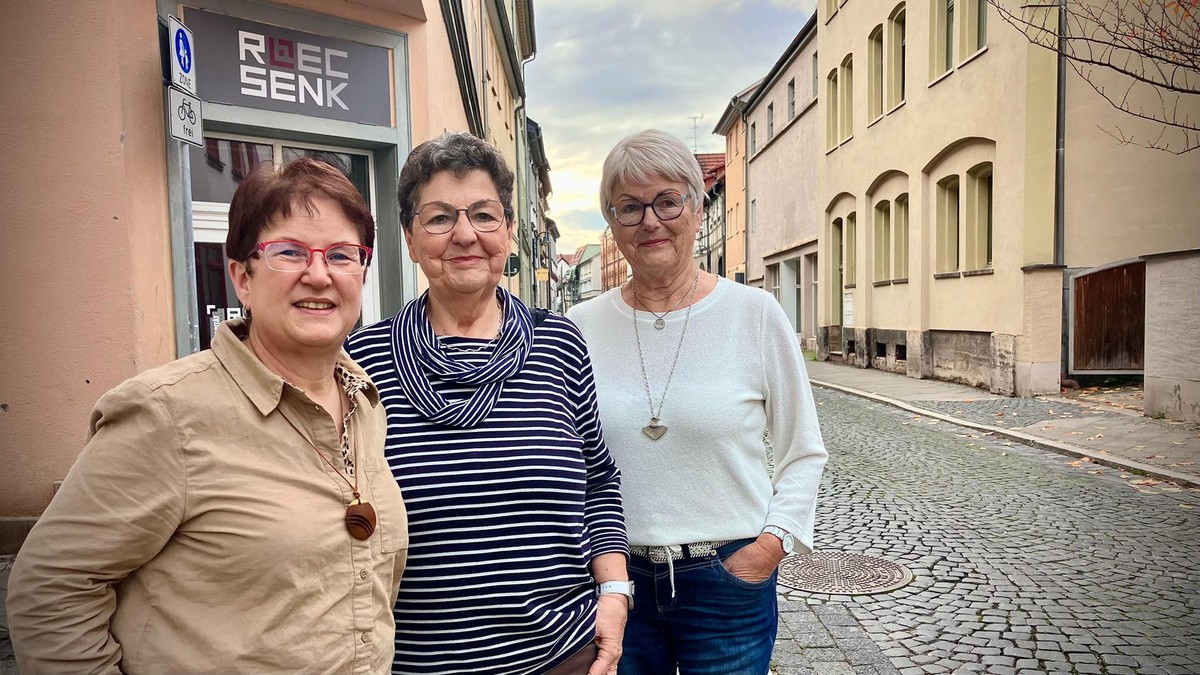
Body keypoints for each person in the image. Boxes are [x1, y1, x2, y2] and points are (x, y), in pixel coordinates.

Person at [6, 158, 408, 674]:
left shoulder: (364, 402)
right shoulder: (167, 412)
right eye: (288, 252)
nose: (318, 274)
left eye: (341, 255)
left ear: (362, 272)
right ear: (242, 277)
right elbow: (51, 589)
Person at [345, 132, 629, 675]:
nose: (465, 234)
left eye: (483, 214)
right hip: (414, 663)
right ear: (409, 238)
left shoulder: (559, 345)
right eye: (439, 218)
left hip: (562, 657)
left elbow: (598, 478)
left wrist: (615, 595)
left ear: (509, 230)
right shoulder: (363, 361)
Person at [567, 129, 829, 675]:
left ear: (697, 205)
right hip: (615, 585)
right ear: (611, 223)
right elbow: (569, 464)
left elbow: (803, 451)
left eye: (668, 201)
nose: (650, 221)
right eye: (630, 207)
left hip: (727, 581)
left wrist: (770, 547)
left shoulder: (754, 314)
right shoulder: (579, 327)